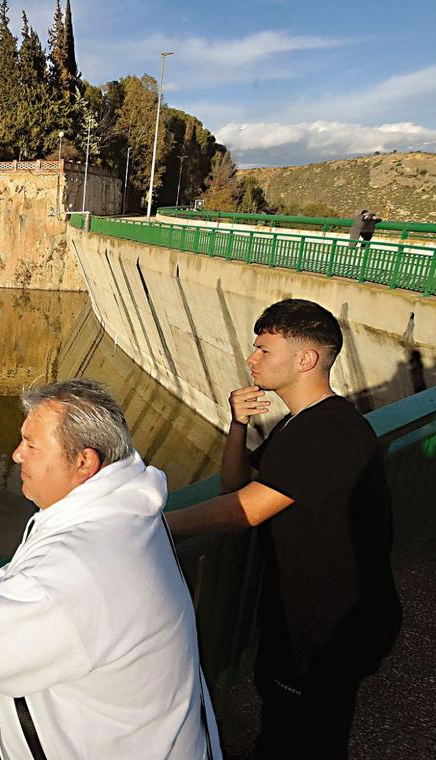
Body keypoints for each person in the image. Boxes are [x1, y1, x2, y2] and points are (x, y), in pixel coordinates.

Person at [0, 379, 221, 760]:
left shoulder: (73, 571)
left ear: (84, 462)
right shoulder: (133, 514)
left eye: (31, 445)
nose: (17, 455)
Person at [166, 299, 402, 759]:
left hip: (326, 624)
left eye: (263, 350)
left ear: (305, 359)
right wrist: (238, 424)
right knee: (295, 729)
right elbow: (238, 482)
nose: (251, 359)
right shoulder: (304, 423)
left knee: (301, 738)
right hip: (312, 614)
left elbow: (245, 509)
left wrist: (155, 523)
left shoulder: (328, 433)